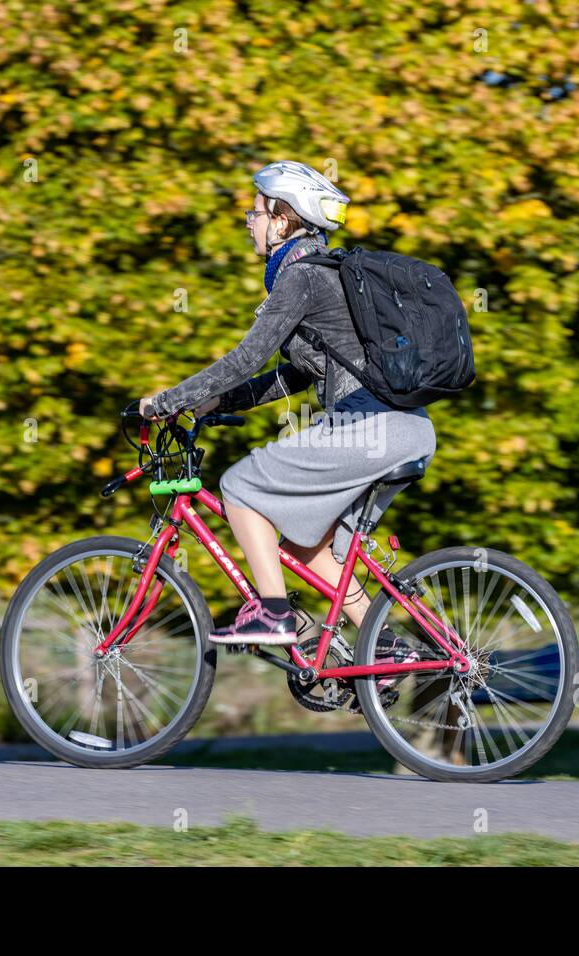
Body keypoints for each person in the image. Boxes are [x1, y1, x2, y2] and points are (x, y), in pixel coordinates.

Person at [140, 161, 437, 644]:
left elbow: (247, 357)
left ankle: (274, 613)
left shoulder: (301, 278)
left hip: (369, 429)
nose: (249, 222)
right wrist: (217, 403)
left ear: (282, 220)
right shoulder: (327, 275)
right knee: (305, 548)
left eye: (255, 212)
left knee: (237, 486)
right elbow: (296, 374)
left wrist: (168, 401)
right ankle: (387, 650)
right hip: (404, 430)